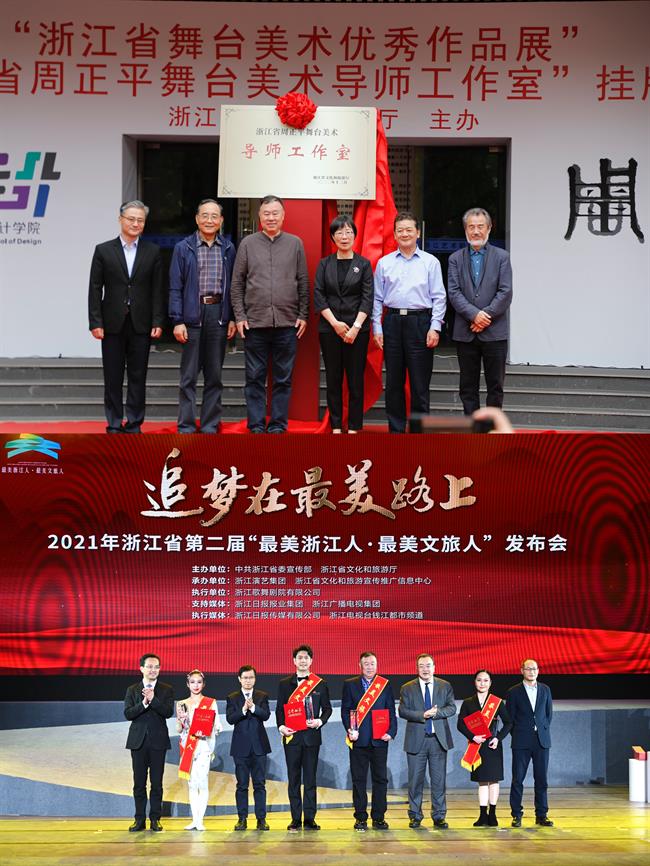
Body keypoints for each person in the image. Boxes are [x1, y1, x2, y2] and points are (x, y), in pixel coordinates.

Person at [230, 195, 309, 433]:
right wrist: (240, 316)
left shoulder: (295, 243)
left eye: (275, 213)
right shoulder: (248, 244)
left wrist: (303, 314)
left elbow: (303, 281)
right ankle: (256, 425)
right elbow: (237, 283)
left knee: (283, 378)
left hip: (287, 322)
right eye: (266, 213)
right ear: (260, 216)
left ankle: (277, 425)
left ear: (283, 216)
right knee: (254, 377)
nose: (271, 218)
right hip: (255, 323)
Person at [88, 200, 164, 433]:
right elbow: (95, 288)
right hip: (112, 323)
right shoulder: (103, 250)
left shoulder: (153, 251)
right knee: (112, 376)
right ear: (120, 219)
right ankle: (113, 422)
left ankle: (134, 423)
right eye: (131, 219)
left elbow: (158, 289)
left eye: (140, 220)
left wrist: (158, 320)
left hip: (141, 322)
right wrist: (95, 321)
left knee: (138, 376)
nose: (135, 223)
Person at [372, 212, 446, 433]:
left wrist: (435, 327)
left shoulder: (430, 262)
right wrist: (377, 327)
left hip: (420, 322)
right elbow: (377, 298)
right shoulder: (384, 263)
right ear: (394, 234)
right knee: (394, 382)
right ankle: (395, 429)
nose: (404, 234)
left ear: (418, 233)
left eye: (409, 230)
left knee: (419, 383)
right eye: (400, 230)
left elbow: (439, 297)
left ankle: (418, 431)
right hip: (392, 322)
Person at [169, 199, 236, 433]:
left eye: (214, 216)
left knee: (214, 376)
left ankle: (209, 425)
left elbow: (233, 286)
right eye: (205, 215)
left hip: (218, 315)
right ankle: (186, 426)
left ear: (221, 220)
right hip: (192, 315)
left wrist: (232, 317)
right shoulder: (183, 248)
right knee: (188, 376)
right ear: (197, 219)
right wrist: (177, 320)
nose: (209, 220)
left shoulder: (228, 248)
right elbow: (175, 286)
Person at [447, 207, 513, 415]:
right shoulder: (455, 258)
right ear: (465, 229)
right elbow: (454, 292)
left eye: (480, 226)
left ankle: (492, 425)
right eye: (471, 227)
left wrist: (485, 316)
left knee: (495, 385)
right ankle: (473, 426)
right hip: (465, 332)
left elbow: (505, 292)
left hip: (494, 332)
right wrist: (474, 315)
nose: (476, 231)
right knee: (468, 386)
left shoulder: (502, 257)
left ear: (489, 228)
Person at [313, 215, 374, 433]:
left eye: (348, 232)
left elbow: (367, 298)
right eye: (339, 232)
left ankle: (355, 425)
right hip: (330, 329)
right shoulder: (324, 264)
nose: (344, 236)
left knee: (355, 380)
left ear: (355, 236)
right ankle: (336, 425)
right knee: (333, 378)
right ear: (332, 237)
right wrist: (335, 324)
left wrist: (355, 327)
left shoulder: (363, 265)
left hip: (358, 331)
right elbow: (319, 296)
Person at [276, 644, 332, 831]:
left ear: (311, 660)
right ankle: (295, 819)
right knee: (293, 780)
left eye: (306, 658)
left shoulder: (320, 683)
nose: (302, 661)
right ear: (294, 661)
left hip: (311, 737)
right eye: (299, 658)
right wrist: (281, 727)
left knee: (310, 779)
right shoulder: (284, 684)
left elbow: (328, 709)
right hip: (291, 738)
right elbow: (279, 709)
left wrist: (320, 721)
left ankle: (309, 819)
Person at [341, 651, 397, 831]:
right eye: (366, 664)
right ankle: (360, 818)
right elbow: (346, 710)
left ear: (377, 665)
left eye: (372, 663)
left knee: (380, 780)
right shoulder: (350, 685)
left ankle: (379, 818)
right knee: (359, 780)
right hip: (358, 740)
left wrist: (391, 732)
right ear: (360, 666)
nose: (370, 667)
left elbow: (391, 710)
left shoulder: (384, 684)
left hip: (380, 740)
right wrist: (350, 730)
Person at [398, 653, 456, 829]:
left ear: (434, 667)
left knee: (438, 781)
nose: (425, 669)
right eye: (421, 666)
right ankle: (415, 816)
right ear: (417, 668)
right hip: (417, 740)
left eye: (428, 665)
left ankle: (439, 816)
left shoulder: (444, 686)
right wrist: (422, 715)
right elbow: (402, 711)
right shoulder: (407, 688)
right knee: (415, 781)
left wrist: (436, 713)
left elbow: (452, 708)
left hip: (438, 740)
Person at [123, 653, 174, 832]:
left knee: (157, 783)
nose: (153, 670)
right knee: (139, 783)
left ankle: (155, 819)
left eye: (156, 667)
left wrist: (154, 700)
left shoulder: (166, 689)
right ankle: (139, 819)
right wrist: (144, 703)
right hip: (138, 742)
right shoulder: (132, 690)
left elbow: (168, 712)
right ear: (142, 668)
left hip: (158, 742)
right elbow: (128, 713)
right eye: (150, 666)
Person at [457, 669, 512, 827]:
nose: (482, 683)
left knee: (493, 780)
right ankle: (482, 815)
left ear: (490, 683)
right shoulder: (468, 702)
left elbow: (508, 723)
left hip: (492, 745)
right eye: (479, 680)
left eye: (486, 680)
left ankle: (492, 814)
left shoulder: (497, 702)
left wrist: (498, 738)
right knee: (481, 781)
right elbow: (460, 724)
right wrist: (472, 737)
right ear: (475, 682)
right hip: (477, 745)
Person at [506, 658, 554, 828]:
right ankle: (516, 815)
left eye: (534, 669)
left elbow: (548, 714)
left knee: (541, 780)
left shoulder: (545, 689)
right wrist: (519, 733)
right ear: (522, 671)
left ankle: (541, 815)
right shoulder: (513, 692)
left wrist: (541, 729)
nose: (531, 672)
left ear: (538, 671)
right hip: (521, 740)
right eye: (528, 669)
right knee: (517, 779)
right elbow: (510, 718)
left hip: (541, 740)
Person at [225, 665, 272, 831]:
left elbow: (266, 715)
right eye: (245, 678)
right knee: (242, 785)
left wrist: (253, 708)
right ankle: (242, 819)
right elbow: (230, 718)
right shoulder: (232, 697)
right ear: (239, 679)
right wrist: (243, 710)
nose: (248, 680)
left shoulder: (261, 696)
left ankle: (261, 819)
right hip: (240, 748)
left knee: (260, 784)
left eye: (251, 677)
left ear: (255, 679)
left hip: (259, 747)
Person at [176, 669, 222, 831]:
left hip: (203, 746)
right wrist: (181, 722)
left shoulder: (210, 702)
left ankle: (200, 820)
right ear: (188, 684)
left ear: (203, 684)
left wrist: (207, 731)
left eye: (199, 682)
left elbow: (217, 726)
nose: (196, 685)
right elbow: (178, 729)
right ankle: (194, 820)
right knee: (191, 784)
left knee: (202, 782)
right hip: (188, 747)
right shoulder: (181, 704)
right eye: (192, 682)